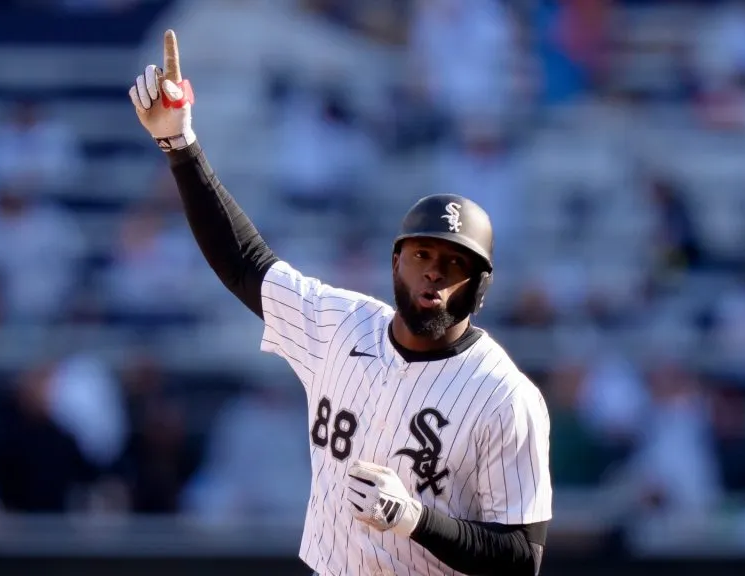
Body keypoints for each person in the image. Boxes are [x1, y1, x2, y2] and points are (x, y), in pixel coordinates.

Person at [129, 30, 553, 576]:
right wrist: (180, 146)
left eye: (455, 262)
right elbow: (243, 263)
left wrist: (417, 520)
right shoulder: (341, 326)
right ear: (394, 262)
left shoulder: (504, 396)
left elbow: (521, 557)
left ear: (480, 285)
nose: (435, 271)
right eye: (423, 254)